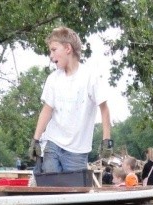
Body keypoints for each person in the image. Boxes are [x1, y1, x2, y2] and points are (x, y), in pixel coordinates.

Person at [29, 27, 112, 174]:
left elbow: (104, 109)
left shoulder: (89, 77)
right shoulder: (53, 79)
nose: (51, 55)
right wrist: (35, 140)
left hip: (77, 150)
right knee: (51, 186)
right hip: (53, 143)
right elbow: (47, 110)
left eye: (54, 50)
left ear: (68, 48)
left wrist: (107, 141)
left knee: (73, 190)